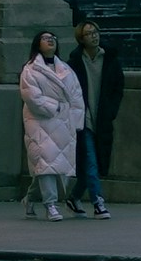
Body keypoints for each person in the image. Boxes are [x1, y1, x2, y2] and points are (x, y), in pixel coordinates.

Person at [17, 29, 86, 220]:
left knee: (50, 166)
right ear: (37, 44)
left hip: (63, 122)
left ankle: (30, 198)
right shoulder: (30, 69)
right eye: (46, 39)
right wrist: (55, 107)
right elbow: (31, 96)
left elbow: (76, 95)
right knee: (46, 163)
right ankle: (50, 205)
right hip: (40, 122)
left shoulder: (65, 68)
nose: (51, 41)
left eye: (53, 38)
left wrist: (75, 120)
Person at [71, 21, 123, 219]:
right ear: (81, 39)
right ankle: (97, 202)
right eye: (88, 33)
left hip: (101, 119)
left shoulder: (109, 59)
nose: (94, 36)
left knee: (92, 163)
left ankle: (74, 197)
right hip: (82, 119)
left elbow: (118, 88)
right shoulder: (75, 62)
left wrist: (111, 111)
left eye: (95, 32)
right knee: (91, 161)